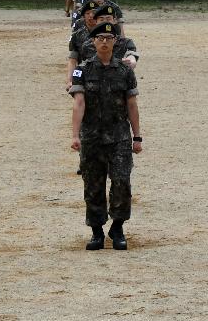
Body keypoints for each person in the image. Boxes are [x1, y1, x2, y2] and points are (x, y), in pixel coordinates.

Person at [69, 22, 142, 251]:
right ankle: (97, 232)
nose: (103, 42)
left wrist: (137, 136)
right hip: (91, 137)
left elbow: (132, 105)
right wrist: (75, 135)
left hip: (119, 136)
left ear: (114, 42)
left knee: (121, 182)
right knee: (93, 185)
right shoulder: (82, 70)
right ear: (93, 41)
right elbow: (78, 104)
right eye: (99, 38)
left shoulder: (124, 71)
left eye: (108, 38)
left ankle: (118, 227)